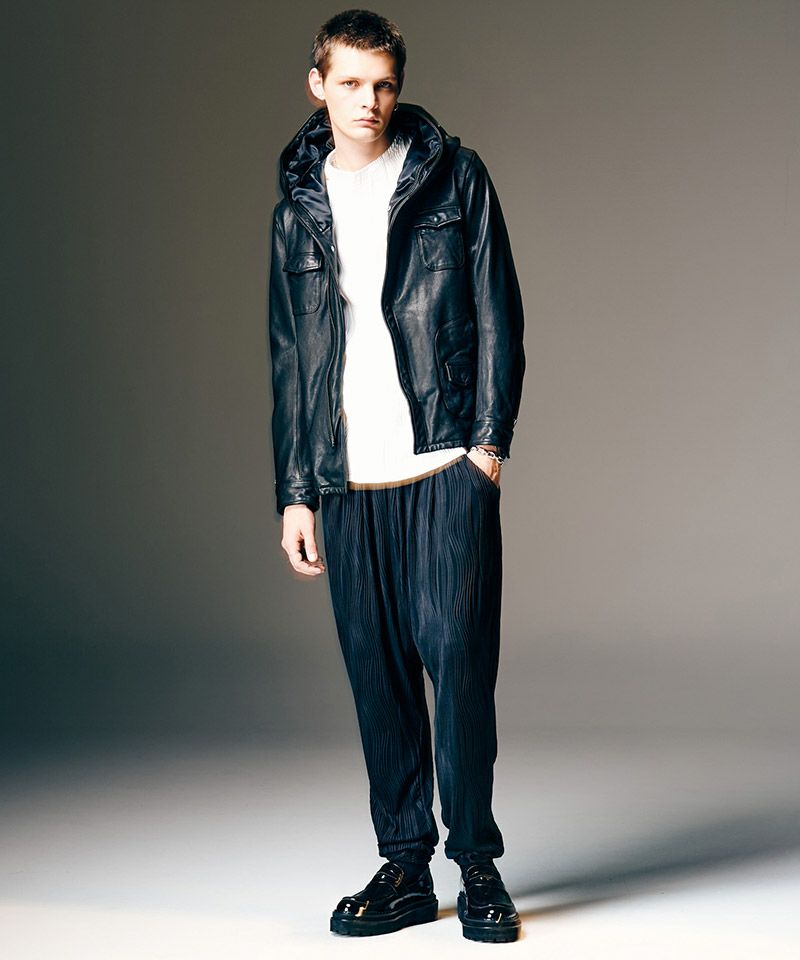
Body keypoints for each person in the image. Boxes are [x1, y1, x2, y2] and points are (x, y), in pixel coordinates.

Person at [266, 8, 526, 944]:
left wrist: (486, 449)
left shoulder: (457, 177)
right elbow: (291, 358)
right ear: (318, 86)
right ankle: (406, 866)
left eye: (381, 84)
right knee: (376, 680)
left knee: (458, 665)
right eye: (349, 82)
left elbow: (498, 315)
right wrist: (296, 490)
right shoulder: (296, 206)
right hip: (346, 481)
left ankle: (478, 864)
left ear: (398, 87)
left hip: (444, 461)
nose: (367, 101)